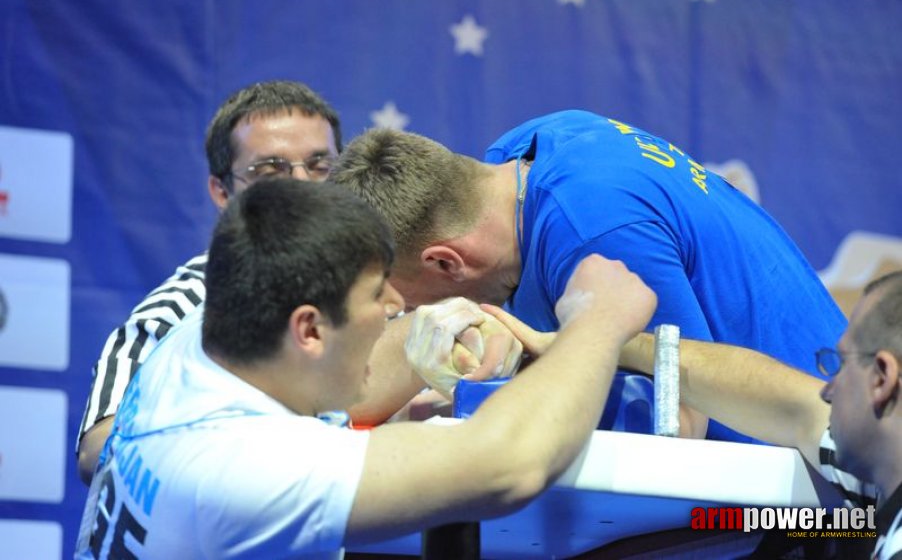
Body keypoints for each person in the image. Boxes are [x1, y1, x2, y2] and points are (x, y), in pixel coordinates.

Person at [75, 178, 658, 559]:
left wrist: (438, 337)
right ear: (309, 328)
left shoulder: (194, 346)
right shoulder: (248, 466)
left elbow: (353, 377)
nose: (397, 308)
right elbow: (509, 464)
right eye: (376, 295)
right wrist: (598, 321)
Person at [329, 109, 848, 442]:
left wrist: (502, 388)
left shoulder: (596, 232)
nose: (407, 312)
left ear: (446, 262)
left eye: (399, 296)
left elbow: (678, 426)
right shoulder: (522, 153)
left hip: (819, 492)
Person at [481, 271, 902, 559]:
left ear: (882, 378)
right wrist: (599, 342)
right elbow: (790, 405)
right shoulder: (878, 479)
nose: (827, 388)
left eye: (840, 363)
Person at [76, 80, 343, 483]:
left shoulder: (378, 296)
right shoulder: (178, 311)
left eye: (321, 167)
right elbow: (98, 451)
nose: (303, 186)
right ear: (222, 192)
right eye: (271, 170)